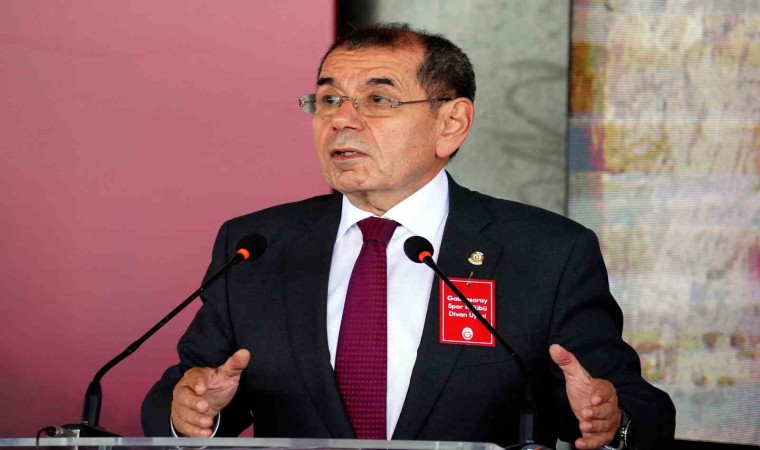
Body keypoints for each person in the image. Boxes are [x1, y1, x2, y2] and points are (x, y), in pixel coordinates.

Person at [142, 23, 675, 449]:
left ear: (451, 124)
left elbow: (641, 410)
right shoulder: (255, 246)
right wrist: (192, 411)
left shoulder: (546, 253)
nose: (342, 120)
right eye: (327, 100)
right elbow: (189, 387)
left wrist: (611, 422)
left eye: (378, 99)